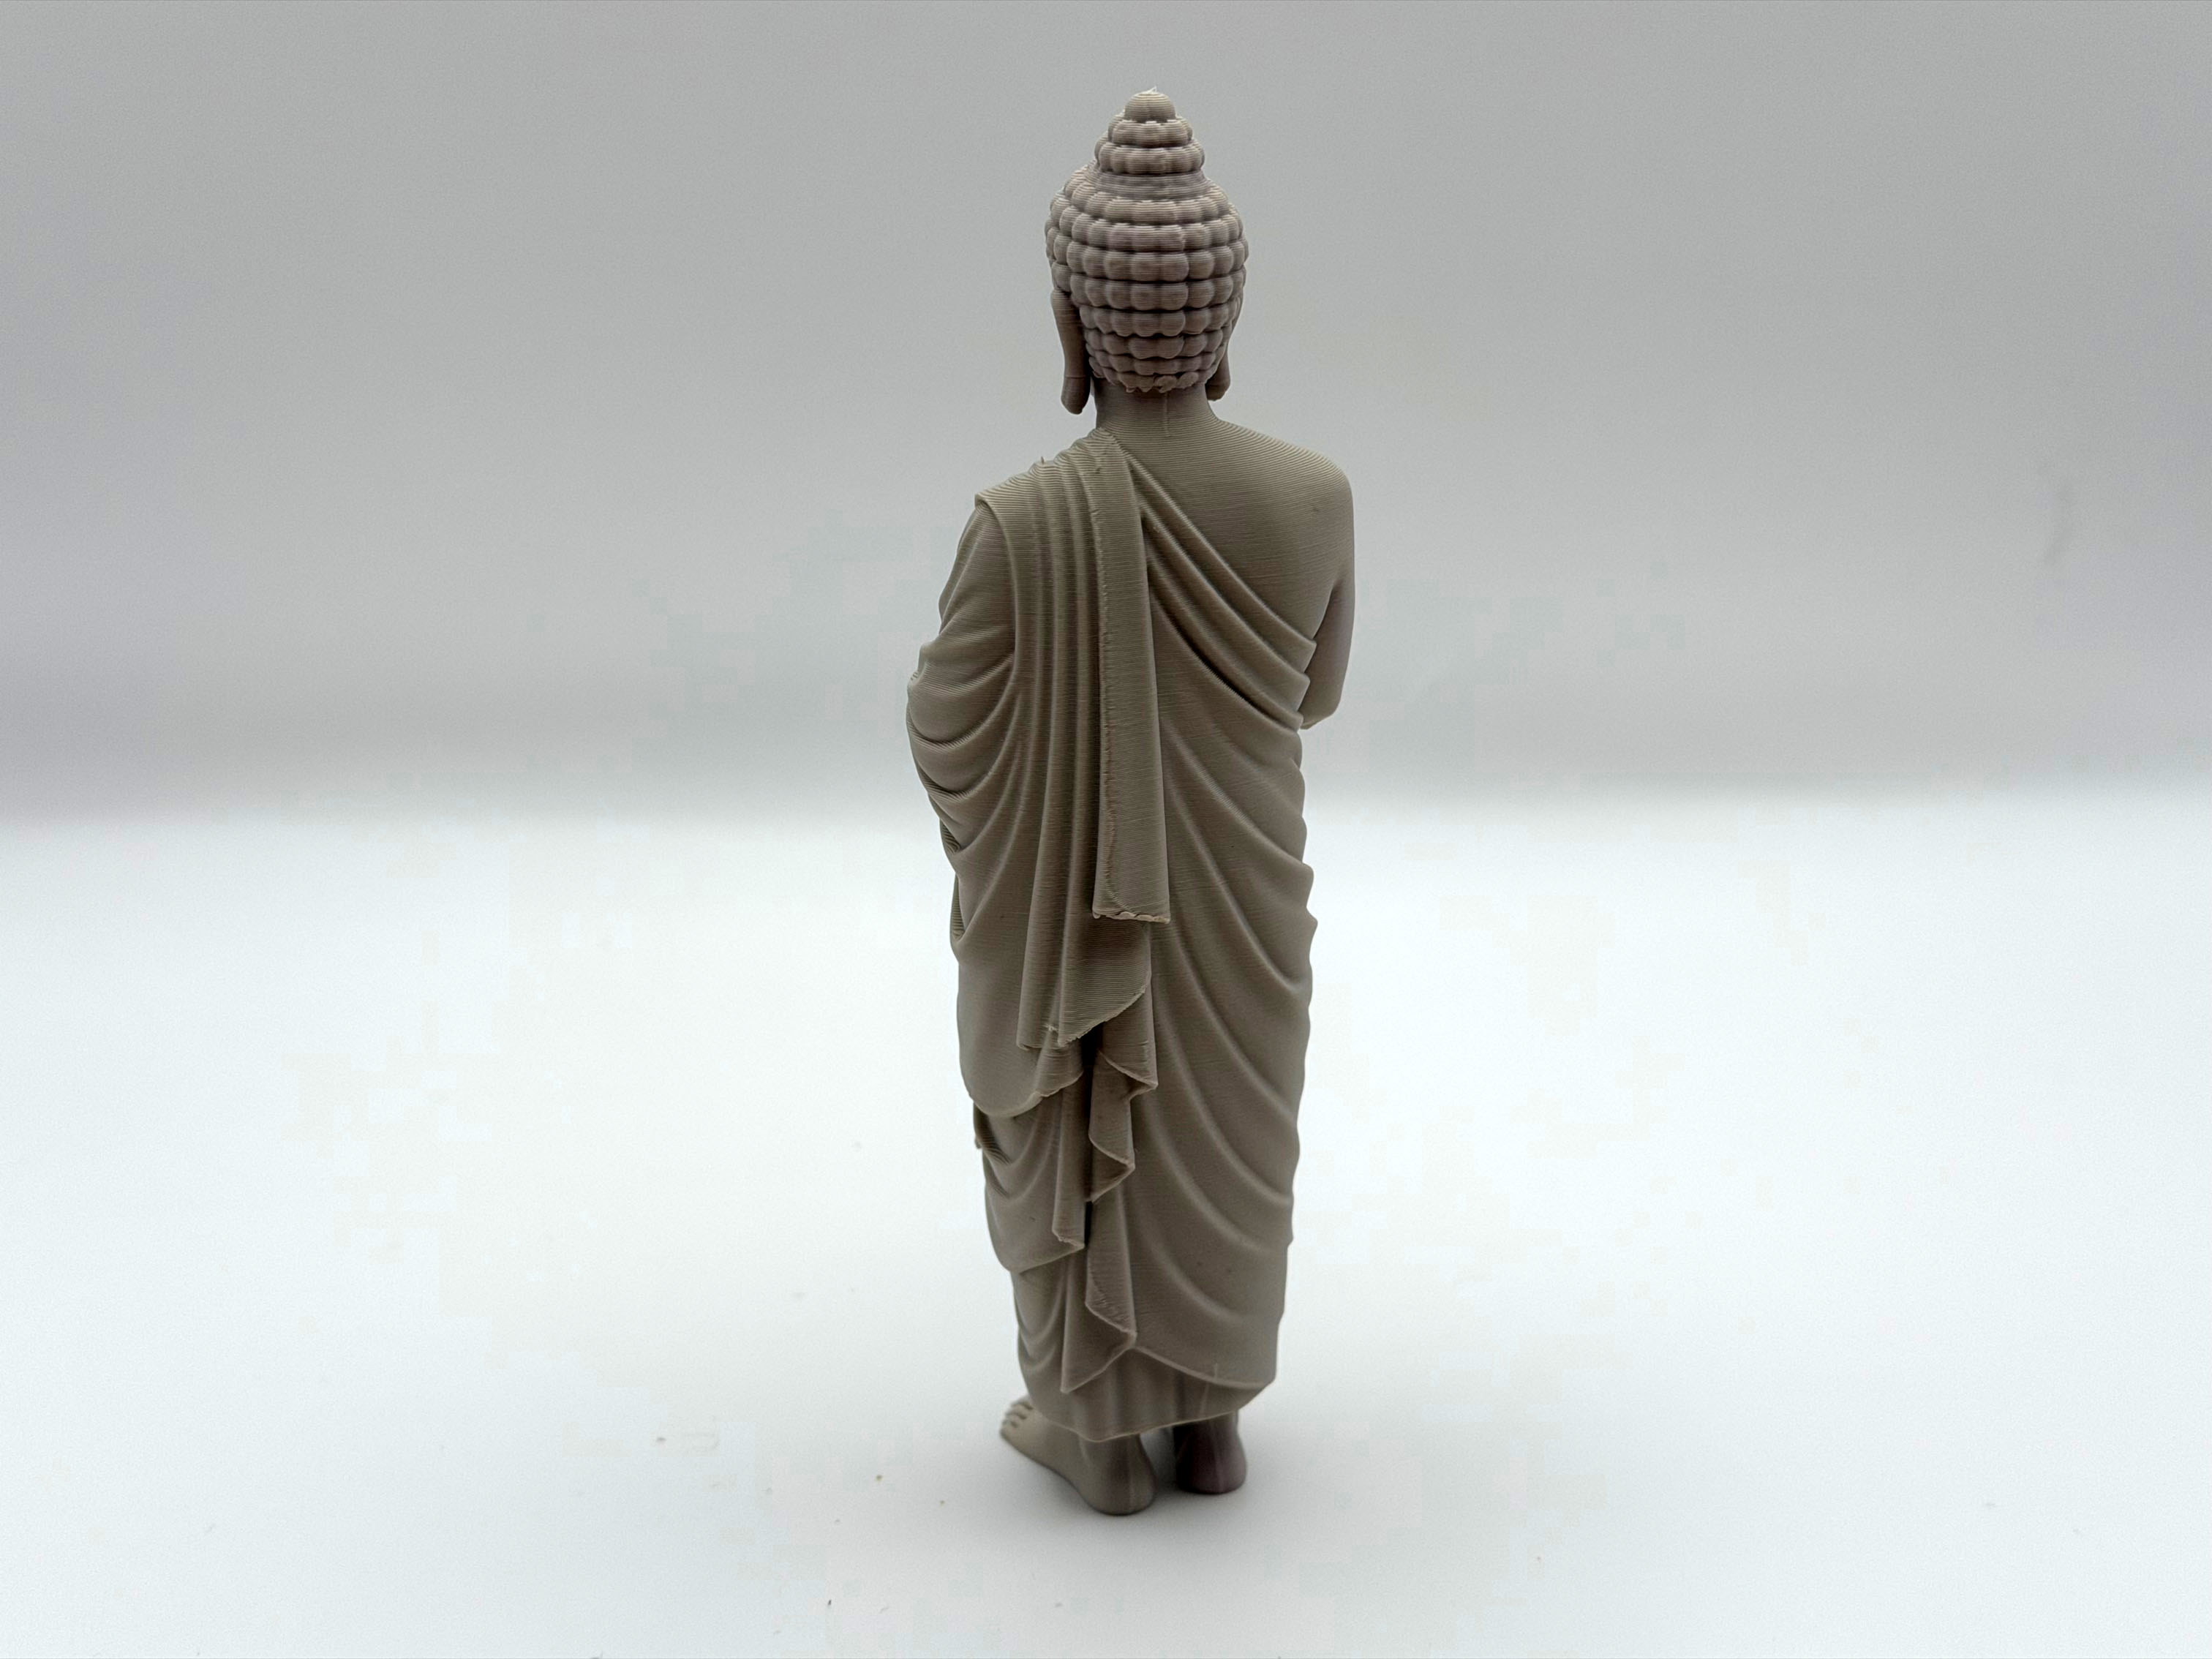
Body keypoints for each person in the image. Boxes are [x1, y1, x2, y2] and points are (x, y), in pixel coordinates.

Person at [906, 91, 1355, 1515]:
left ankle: (1101, 1443)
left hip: (1077, 931)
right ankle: (1211, 1430)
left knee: (1091, 1116)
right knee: (1227, 1141)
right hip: (1247, 904)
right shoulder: (1314, 496)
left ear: (1071, 326)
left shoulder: (1020, 524)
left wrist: (1044, 823)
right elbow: (1314, 696)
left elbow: (943, 723)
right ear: (1223, 328)